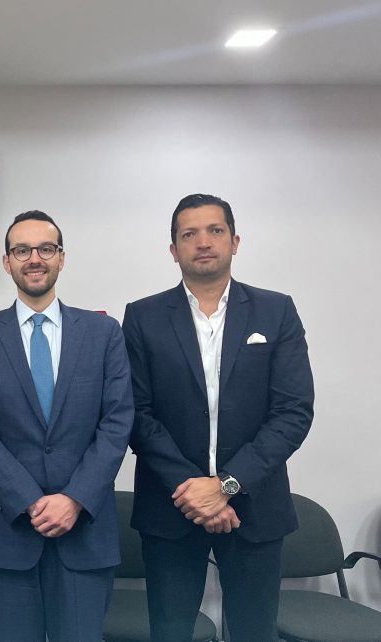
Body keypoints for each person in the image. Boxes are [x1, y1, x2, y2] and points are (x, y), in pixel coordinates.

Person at [123, 193, 314, 642]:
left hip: (255, 507)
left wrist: (225, 486)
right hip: (172, 506)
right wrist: (194, 491)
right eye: (189, 234)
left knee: (253, 633)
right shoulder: (143, 317)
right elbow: (136, 413)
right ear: (174, 250)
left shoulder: (276, 311)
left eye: (215, 230)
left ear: (235, 241)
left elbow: (292, 411)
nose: (203, 242)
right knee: (170, 632)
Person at [0, 210, 133, 642]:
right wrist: (31, 501)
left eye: (45, 249)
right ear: (7, 262)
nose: (34, 258)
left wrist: (74, 498)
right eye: (22, 250)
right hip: (9, 530)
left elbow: (117, 422)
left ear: (62, 258)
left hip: (84, 531)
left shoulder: (103, 333)